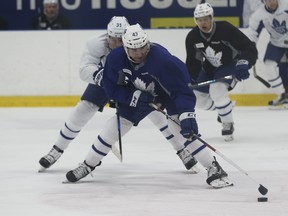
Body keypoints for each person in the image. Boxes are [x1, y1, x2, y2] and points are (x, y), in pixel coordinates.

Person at [65, 23, 233, 189]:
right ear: (126, 48)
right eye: (134, 49)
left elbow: (182, 90)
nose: (139, 53)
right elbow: (110, 87)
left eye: (142, 48)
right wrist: (131, 97)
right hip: (138, 94)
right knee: (113, 128)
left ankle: (213, 167)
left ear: (147, 43)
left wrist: (187, 115)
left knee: (182, 131)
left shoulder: (163, 60)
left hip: (167, 95)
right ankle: (88, 165)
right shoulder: (115, 58)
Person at [38, 17, 199, 174]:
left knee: (157, 114)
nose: (117, 44)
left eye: (120, 40)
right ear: (107, 35)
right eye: (113, 39)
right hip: (105, 83)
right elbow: (84, 69)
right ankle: (57, 149)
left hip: (134, 84)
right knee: (82, 109)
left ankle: (181, 150)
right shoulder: (95, 44)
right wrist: (107, 81)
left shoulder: (135, 46)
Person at [185, 3, 258, 141]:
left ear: (212, 17)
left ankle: (227, 123)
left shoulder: (225, 28)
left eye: (206, 19)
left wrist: (243, 64)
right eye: (199, 20)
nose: (203, 23)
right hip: (209, 69)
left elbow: (248, 48)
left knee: (217, 89)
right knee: (196, 98)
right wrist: (189, 78)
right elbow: (192, 62)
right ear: (196, 20)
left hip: (230, 65)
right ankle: (225, 109)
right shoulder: (193, 37)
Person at [246, 0, 288, 108]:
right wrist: (251, 49)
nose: (271, 2)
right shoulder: (258, 15)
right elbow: (253, 34)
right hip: (276, 43)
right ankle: (282, 96)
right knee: (269, 66)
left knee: (284, 69)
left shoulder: (286, 5)